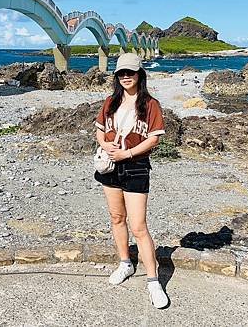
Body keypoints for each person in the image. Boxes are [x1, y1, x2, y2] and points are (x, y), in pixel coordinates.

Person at [93, 53, 169, 309]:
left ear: (139, 75)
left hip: (135, 166)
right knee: (116, 218)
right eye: (121, 73)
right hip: (110, 167)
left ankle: (153, 280)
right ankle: (125, 263)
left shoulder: (150, 105)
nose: (126, 77)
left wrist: (128, 152)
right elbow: (100, 132)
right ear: (116, 76)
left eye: (131, 72)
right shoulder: (110, 102)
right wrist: (107, 144)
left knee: (138, 225)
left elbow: (154, 139)